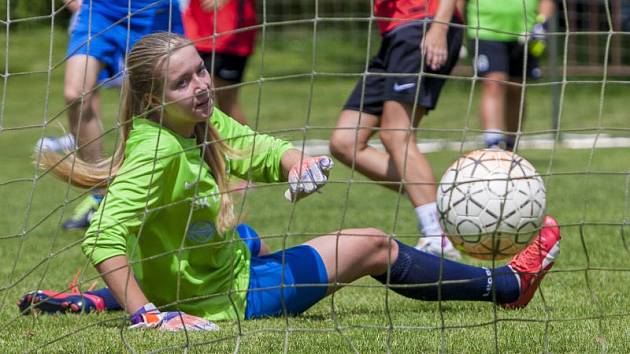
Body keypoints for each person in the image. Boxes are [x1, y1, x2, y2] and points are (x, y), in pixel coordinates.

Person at [19, 33, 560, 330]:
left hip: (209, 270)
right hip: (225, 298)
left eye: (201, 69)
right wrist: (152, 318)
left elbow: (255, 148)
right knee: (373, 244)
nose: (203, 85)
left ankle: (96, 302)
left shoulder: (194, 119)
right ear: (155, 98)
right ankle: (507, 287)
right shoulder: (156, 151)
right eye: (183, 82)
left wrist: (295, 161)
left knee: (249, 238)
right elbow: (103, 236)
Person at [329, 0, 466, 260]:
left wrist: (439, 27)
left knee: (395, 135)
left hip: (421, 26)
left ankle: (437, 238)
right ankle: (440, 202)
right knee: (344, 142)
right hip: (394, 34)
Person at [36, 0, 183, 230]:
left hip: (154, 10)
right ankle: (101, 195)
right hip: (101, 10)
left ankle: (182, 185)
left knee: (165, 101)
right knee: (76, 94)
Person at [466, 0, 556, 150]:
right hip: (485, 28)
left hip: (525, 30)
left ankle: (510, 147)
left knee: (516, 88)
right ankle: (492, 146)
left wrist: (541, 23)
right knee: (493, 83)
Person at [182, 0, 256, 125]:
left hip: (230, 39)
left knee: (226, 99)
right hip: (197, 35)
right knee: (194, 100)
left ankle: (247, 143)